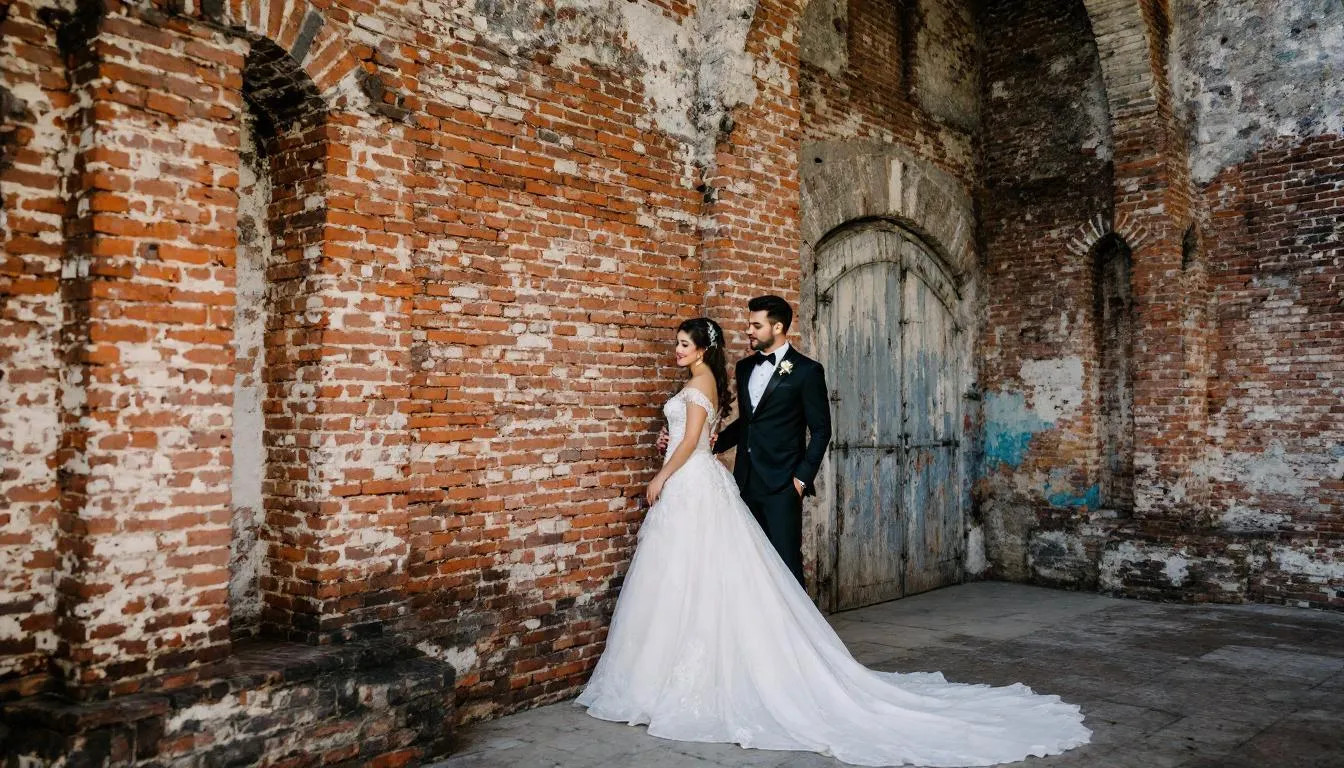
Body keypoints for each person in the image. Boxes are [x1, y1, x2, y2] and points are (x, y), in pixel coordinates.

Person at [575, 317, 1091, 767]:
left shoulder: (793, 371)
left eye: (683, 344)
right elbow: (723, 429)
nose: (678, 351)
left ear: (772, 329)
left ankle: (781, 662)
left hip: (741, 482)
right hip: (721, 480)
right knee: (709, 575)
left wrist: (673, 471)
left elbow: (814, 428)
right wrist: (702, 443)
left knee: (758, 570)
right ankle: (688, 668)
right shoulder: (731, 373)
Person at [713, 295, 830, 586]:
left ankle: (797, 631)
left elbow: (821, 430)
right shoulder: (744, 368)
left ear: (777, 327)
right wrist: (711, 444)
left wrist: (801, 479)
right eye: (748, 324)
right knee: (749, 561)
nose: (748, 330)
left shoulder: (807, 371)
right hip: (745, 480)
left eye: (756, 325)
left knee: (786, 562)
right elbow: (748, 423)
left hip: (782, 484)